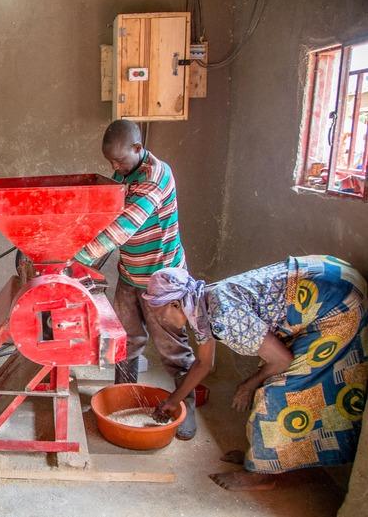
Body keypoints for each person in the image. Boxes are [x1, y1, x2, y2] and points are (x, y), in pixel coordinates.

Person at [143, 256, 367, 491]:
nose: (160, 319)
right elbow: (203, 364)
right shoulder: (200, 303)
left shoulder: (223, 316)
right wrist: (173, 401)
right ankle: (263, 457)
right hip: (326, 281)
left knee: (278, 392)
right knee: (271, 380)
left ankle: (261, 475)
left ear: (175, 304)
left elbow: (282, 360)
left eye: (159, 311)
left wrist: (248, 385)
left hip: (338, 302)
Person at [73, 119, 196, 439]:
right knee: (125, 342)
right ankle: (123, 399)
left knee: (173, 350)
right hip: (130, 273)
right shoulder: (125, 174)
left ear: (138, 148)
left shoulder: (155, 177)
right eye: (110, 162)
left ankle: (186, 406)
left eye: (119, 160)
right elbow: (107, 216)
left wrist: (76, 259)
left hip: (162, 281)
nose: (115, 167)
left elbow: (122, 227)